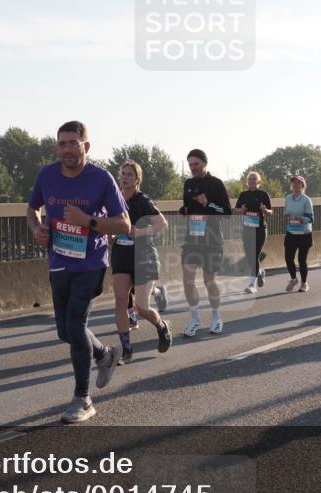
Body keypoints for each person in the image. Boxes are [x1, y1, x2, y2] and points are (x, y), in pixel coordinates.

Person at [27, 121, 129, 423]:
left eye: (73, 143)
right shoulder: (47, 174)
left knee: (74, 323)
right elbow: (32, 209)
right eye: (62, 144)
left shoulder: (101, 179)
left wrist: (88, 221)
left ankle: (82, 399)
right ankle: (104, 354)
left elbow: (124, 224)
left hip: (91, 263)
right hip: (58, 260)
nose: (67, 149)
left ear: (86, 146)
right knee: (65, 331)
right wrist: (37, 229)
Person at [110, 161, 173, 364]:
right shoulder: (114, 199)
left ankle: (162, 326)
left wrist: (140, 232)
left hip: (144, 256)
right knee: (120, 300)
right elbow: (110, 221)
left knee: (140, 308)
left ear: (137, 179)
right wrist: (111, 235)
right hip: (121, 255)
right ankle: (126, 349)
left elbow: (162, 222)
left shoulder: (142, 200)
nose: (125, 177)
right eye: (123, 174)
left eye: (129, 174)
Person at [179, 149, 232, 336]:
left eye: (196, 164)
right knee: (187, 280)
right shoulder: (188, 184)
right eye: (190, 164)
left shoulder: (216, 184)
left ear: (204, 163)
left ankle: (216, 317)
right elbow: (188, 207)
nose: (193, 168)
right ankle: (195, 318)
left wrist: (208, 203)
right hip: (192, 239)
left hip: (211, 241)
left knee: (209, 281)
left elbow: (227, 212)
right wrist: (184, 209)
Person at [235, 171, 272, 294]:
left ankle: (252, 284)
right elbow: (236, 209)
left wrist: (264, 209)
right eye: (250, 179)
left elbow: (271, 212)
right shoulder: (243, 194)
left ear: (258, 182)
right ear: (247, 181)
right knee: (249, 256)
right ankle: (260, 272)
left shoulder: (263, 194)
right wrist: (242, 209)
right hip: (247, 229)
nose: (251, 181)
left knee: (254, 254)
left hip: (260, 229)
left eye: (254, 179)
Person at [283, 174, 315, 291]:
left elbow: (311, 218)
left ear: (303, 185)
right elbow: (286, 212)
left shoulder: (306, 200)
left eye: (298, 183)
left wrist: (300, 218)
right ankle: (293, 279)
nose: (295, 185)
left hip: (304, 234)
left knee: (302, 260)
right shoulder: (287, 198)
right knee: (288, 258)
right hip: (291, 232)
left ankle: (304, 283)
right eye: (293, 183)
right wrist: (287, 217)